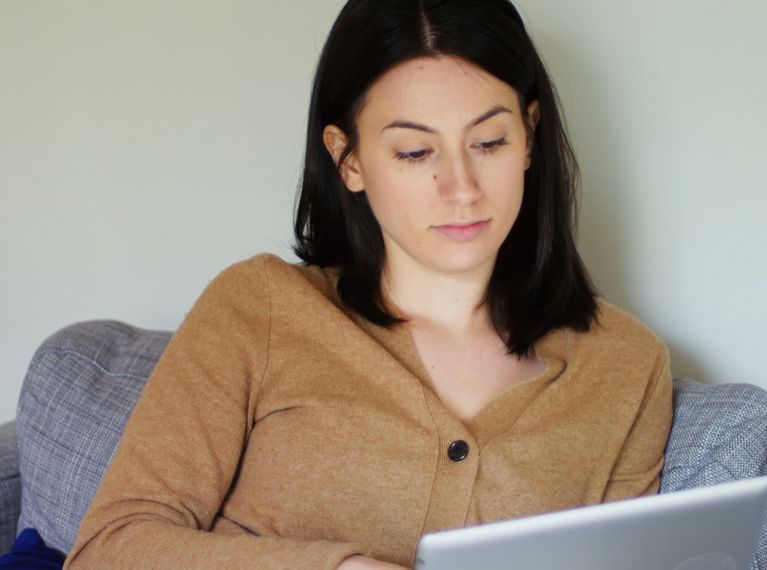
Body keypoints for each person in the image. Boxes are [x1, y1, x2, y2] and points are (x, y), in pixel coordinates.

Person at [65, 1, 672, 568]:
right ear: (348, 160)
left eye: (489, 142)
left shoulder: (625, 366)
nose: (460, 187)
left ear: (530, 139)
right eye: (413, 152)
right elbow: (109, 547)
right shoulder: (261, 307)